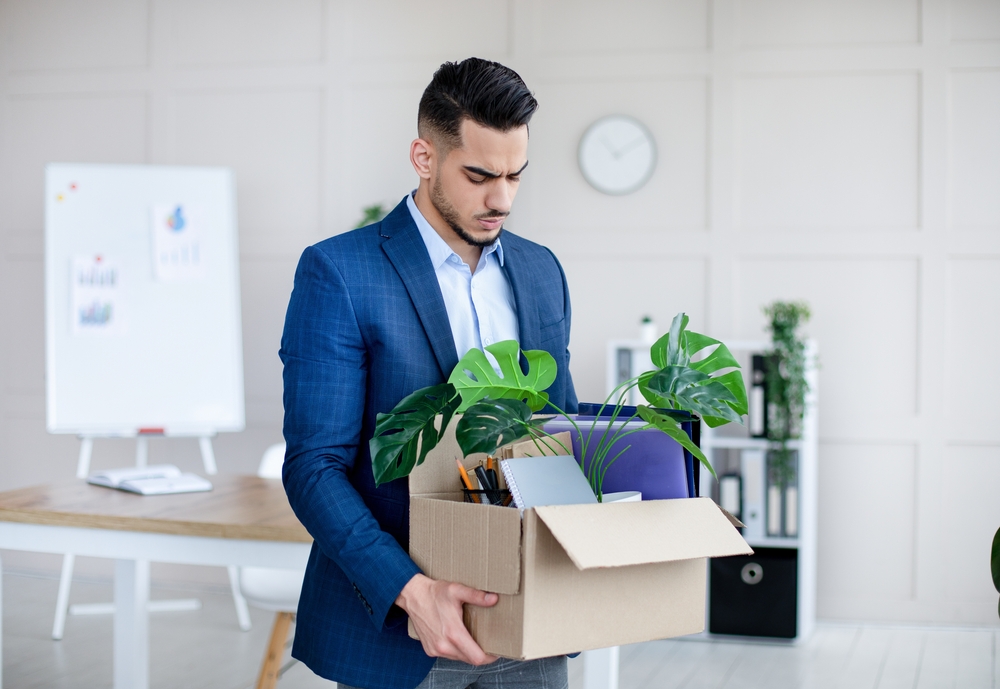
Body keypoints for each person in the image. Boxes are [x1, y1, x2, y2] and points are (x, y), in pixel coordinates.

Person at [280, 57, 578, 689]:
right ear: (424, 156)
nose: (500, 198)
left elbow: (563, 436)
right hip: (397, 630)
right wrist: (413, 593)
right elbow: (314, 467)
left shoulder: (541, 271)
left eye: (514, 176)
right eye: (478, 175)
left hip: (531, 624)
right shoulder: (340, 273)